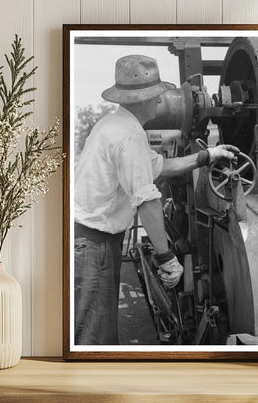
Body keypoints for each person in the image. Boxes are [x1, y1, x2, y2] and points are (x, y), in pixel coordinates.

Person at [74, 54, 239, 345]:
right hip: (94, 245)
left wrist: (206, 156)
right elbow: (147, 200)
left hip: (91, 241)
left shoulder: (115, 125)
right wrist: (166, 258)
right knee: (94, 339)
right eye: (156, 95)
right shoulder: (130, 136)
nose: (161, 101)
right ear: (141, 100)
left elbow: (159, 166)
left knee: (96, 332)